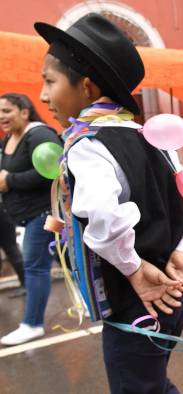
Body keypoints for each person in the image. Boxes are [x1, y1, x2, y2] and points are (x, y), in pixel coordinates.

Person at [33, 13, 183, 392]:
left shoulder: (88, 146)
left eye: (49, 82)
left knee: (137, 387)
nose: (43, 95)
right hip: (174, 290)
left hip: (141, 300)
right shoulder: (152, 136)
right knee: (150, 382)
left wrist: (133, 269)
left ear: (85, 87)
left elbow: (102, 216)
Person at [0, 93, 61, 345]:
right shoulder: (9, 139)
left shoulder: (38, 135)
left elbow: (54, 169)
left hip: (44, 213)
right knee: (65, 258)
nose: (2, 117)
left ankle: (32, 324)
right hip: (26, 216)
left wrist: (9, 180)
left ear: (24, 112)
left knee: (35, 266)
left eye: (7, 111)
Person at [0, 207, 25, 298]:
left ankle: (26, 285)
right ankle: (26, 285)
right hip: (4, 212)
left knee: (13, 250)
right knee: (13, 250)